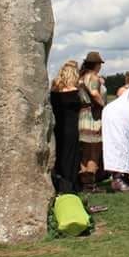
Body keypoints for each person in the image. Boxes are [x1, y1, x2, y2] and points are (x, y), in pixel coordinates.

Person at [50, 60, 83, 194]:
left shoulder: (54, 90)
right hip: (71, 127)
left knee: (60, 154)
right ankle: (70, 184)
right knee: (72, 155)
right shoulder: (75, 91)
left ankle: (59, 182)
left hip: (58, 126)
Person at [77, 51, 106, 192]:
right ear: (97, 64)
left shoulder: (81, 78)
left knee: (85, 152)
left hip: (82, 115)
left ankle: (84, 183)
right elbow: (94, 93)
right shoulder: (92, 77)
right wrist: (104, 107)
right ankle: (91, 184)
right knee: (95, 150)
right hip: (93, 116)